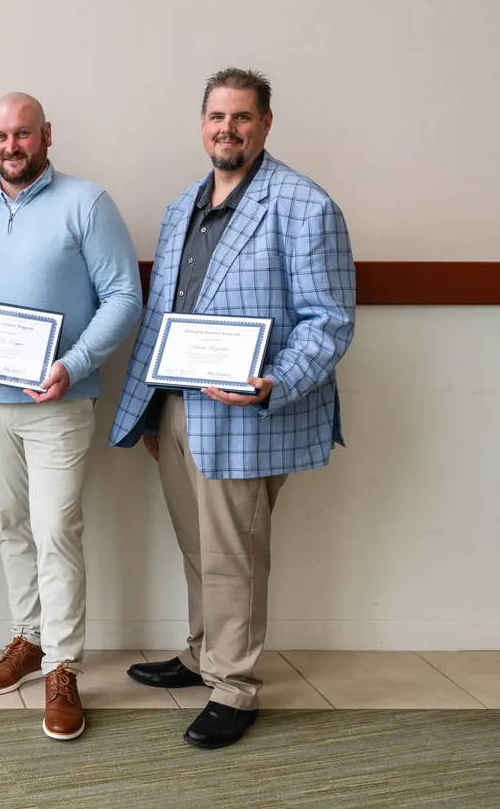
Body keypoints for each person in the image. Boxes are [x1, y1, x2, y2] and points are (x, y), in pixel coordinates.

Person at [109, 68, 356, 749]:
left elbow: (330, 321)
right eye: (217, 116)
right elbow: (164, 315)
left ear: (266, 124)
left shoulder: (306, 205)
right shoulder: (182, 205)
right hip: (180, 407)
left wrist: (274, 380)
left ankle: (236, 685)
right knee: (200, 547)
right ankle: (200, 654)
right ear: (202, 124)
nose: (228, 128)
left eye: (242, 117)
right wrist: (149, 409)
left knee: (235, 555)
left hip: (251, 412)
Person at [0, 93, 142, 741]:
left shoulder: (88, 203)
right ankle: (27, 637)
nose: (12, 146)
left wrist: (72, 364)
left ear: (46, 134)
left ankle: (63, 665)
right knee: (11, 526)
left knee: (55, 531)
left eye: (23, 133)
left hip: (60, 402)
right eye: (0, 136)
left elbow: (124, 297)